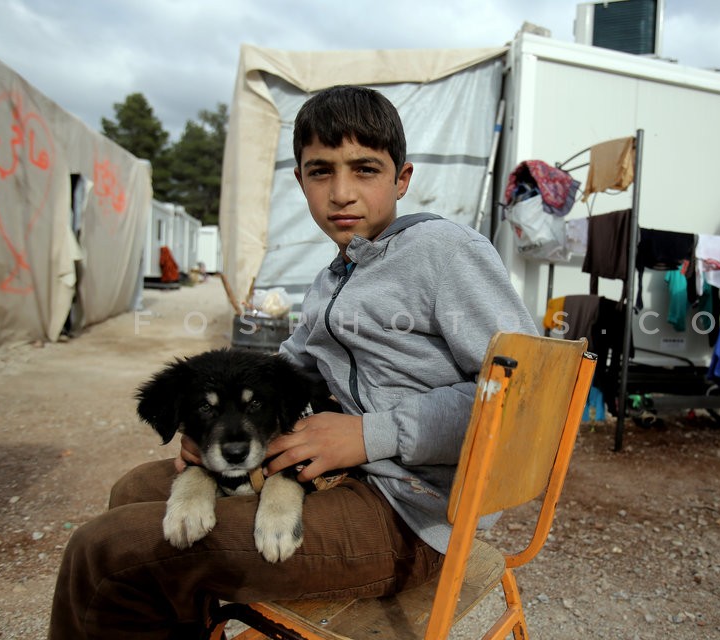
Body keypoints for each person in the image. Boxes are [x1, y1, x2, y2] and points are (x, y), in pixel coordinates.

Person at [48, 85, 537, 639]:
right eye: (321, 172)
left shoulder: (443, 252)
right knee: (137, 490)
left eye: (366, 170)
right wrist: (210, 423)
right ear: (300, 181)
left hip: (415, 514)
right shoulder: (334, 278)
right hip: (340, 479)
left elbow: (525, 397)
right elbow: (283, 367)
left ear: (402, 178)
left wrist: (370, 435)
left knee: (107, 552)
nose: (342, 192)